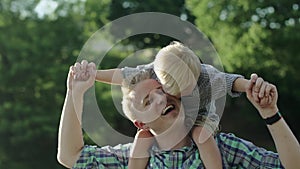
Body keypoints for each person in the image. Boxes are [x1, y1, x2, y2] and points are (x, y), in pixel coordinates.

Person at [57, 61, 300, 168]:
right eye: (148, 101)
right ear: (141, 123)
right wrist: (75, 92)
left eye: (162, 90)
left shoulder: (225, 150)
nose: (162, 98)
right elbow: (70, 157)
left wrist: (271, 114)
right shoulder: (134, 159)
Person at [94, 41, 254, 169]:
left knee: (201, 135)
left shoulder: (208, 77)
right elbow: (122, 75)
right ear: (160, 77)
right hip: (170, 116)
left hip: (201, 116)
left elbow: (231, 82)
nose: (178, 96)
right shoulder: (151, 72)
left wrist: (249, 86)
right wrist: (94, 74)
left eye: (186, 90)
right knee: (142, 136)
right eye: (172, 90)